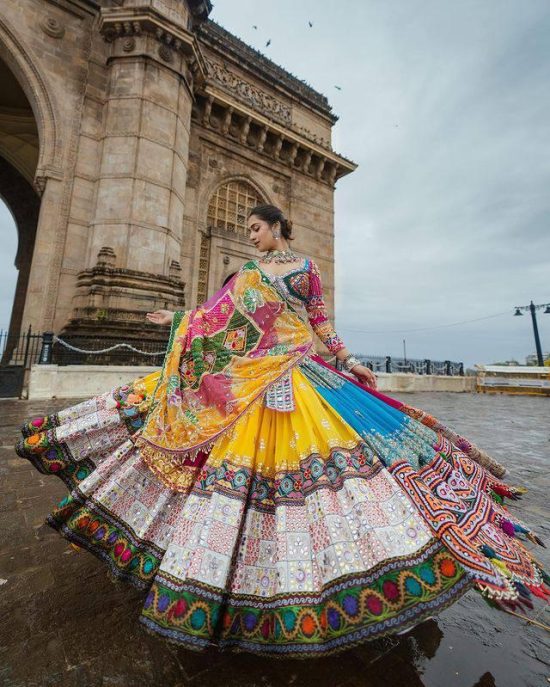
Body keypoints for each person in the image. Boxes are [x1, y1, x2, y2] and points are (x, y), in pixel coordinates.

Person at [16, 204, 548, 658]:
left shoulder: (304, 270)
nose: (250, 235)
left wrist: (348, 358)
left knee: (334, 466)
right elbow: (218, 318)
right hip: (252, 381)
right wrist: (180, 319)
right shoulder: (249, 274)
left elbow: (320, 321)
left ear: (276, 228)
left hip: (297, 376)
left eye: (255, 228)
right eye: (247, 229)